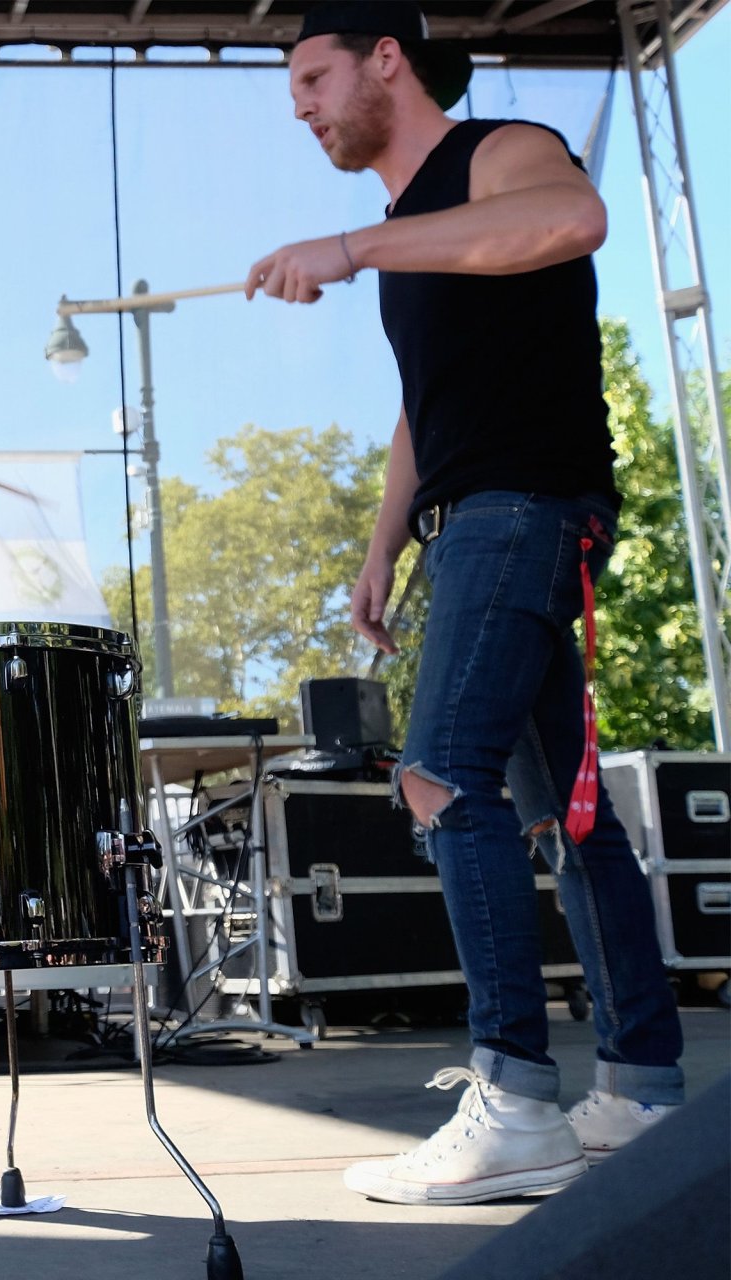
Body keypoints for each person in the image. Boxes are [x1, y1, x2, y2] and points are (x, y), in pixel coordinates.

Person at [248, 1, 684, 1207]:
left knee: (439, 774)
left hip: (521, 508)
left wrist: (351, 248)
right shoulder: (413, 232)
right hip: (474, 520)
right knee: (569, 816)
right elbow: (423, 405)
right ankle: (642, 1085)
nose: (301, 106)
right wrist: (384, 542)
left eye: (314, 77)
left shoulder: (500, 151)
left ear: (385, 59)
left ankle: (517, 1100)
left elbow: (575, 218)